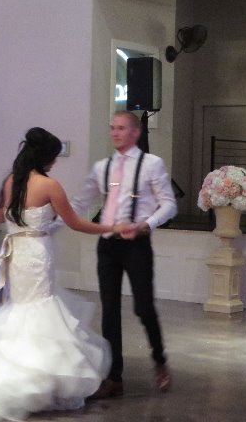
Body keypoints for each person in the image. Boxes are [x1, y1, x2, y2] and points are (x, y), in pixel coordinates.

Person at [0, 128, 133, 421]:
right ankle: (35, 378)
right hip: (35, 253)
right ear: (45, 157)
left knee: (20, 308)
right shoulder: (49, 185)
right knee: (39, 309)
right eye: (54, 157)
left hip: (15, 253)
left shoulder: (12, 181)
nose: (55, 163)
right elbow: (75, 222)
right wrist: (112, 228)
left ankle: (14, 371)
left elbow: (0, 216)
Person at [72, 111, 177, 398]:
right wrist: (48, 226)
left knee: (143, 307)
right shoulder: (102, 167)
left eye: (121, 128)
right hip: (108, 244)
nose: (115, 133)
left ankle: (159, 360)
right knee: (109, 309)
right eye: (113, 128)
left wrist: (147, 224)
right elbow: (80, 202)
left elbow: (169, 204)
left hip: (136, 245)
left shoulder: (151, 164)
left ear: (135, 132)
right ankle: (114, 377)